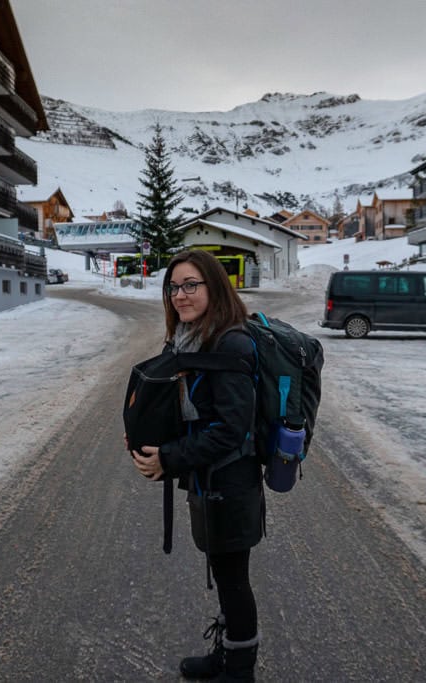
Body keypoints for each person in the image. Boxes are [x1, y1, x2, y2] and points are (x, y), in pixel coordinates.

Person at [130, 249, 264, 682]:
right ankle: (228, 655)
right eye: (173, 287)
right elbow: (190, 410)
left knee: (232, 577)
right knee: (224, 573)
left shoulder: (231, 342)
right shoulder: (192, 338)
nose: (180, 296)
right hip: (209, 479)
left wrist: (169, 459)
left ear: (214, 287)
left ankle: (239, 670)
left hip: (231, 480)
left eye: (191, 285)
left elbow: (231, 429)